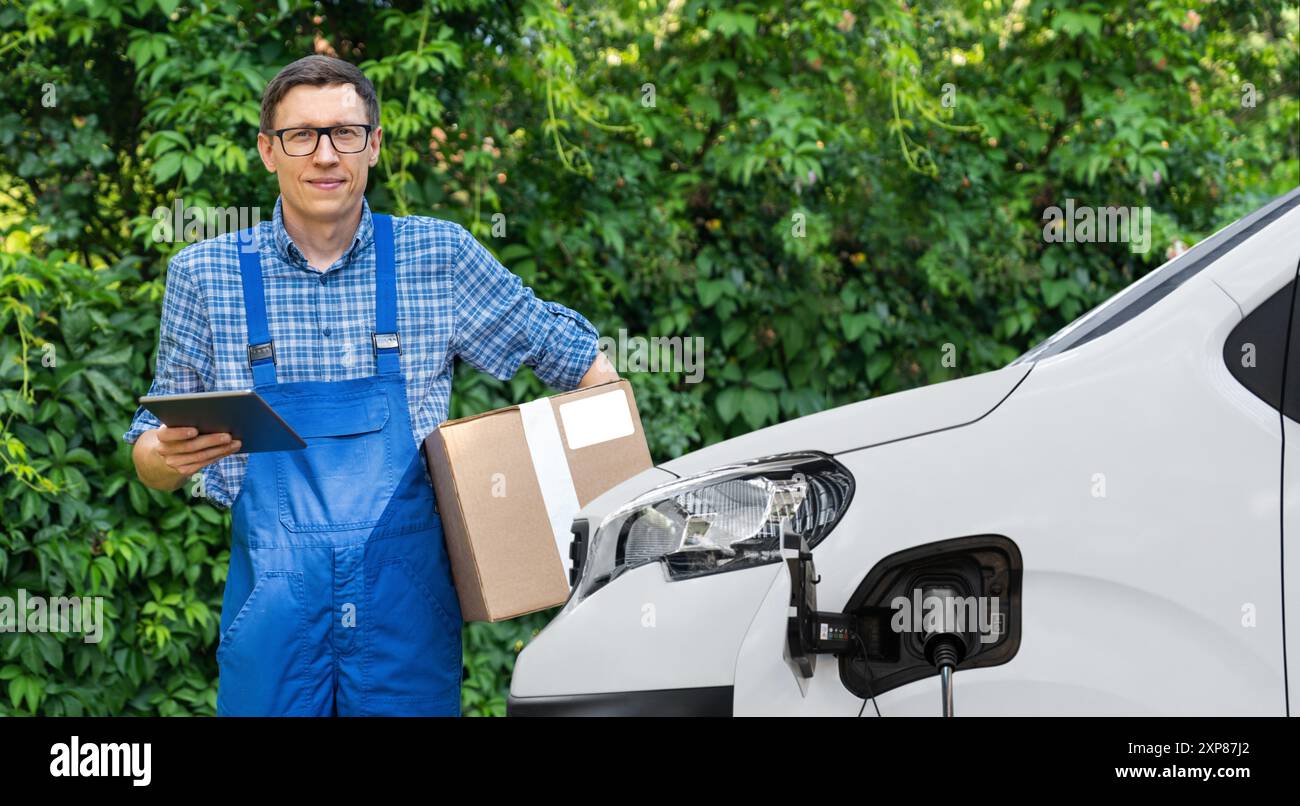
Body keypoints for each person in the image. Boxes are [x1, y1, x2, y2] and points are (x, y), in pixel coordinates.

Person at [121, 54, 619, 716]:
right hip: (272, 622)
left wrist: (597, 503)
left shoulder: (438, 257)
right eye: (302, 134)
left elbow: (580, 363)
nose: (325, 154)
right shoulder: (204, 275)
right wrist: (159, 457)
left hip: (403, 620)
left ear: (374, 144)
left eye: (345, 132)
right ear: (269, 151)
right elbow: (151, 451)